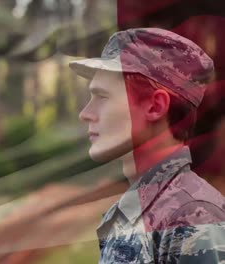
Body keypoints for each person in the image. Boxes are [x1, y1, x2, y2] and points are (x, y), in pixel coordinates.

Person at [69, 28, 225, 263]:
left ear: (155, 106)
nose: (85, 114)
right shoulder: (136, 210)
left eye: (102, 97)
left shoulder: (192, 216)